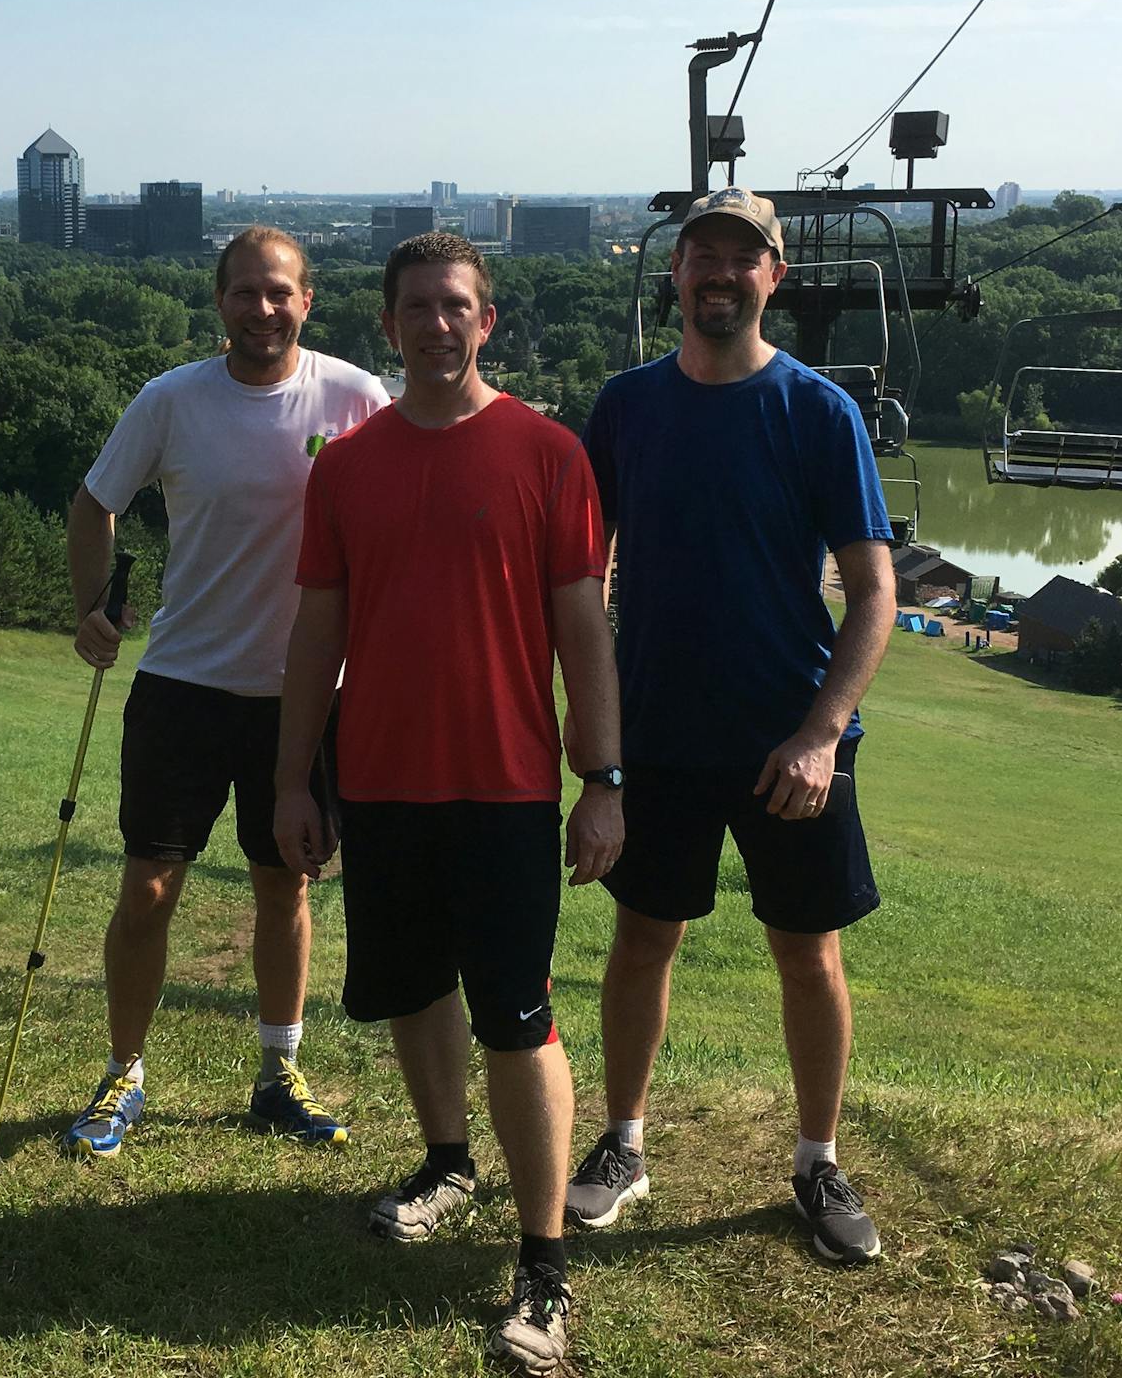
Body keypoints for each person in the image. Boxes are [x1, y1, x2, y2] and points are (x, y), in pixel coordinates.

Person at [273, 231, 623, 1373]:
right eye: (415, 307)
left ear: (486, 321)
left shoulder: (546, 454)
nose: (436, 324)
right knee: (413, 992)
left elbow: (584, 630)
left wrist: (601, 782)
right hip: (378, 785)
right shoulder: (347, 467)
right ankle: (443, 1160)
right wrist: (293, 778)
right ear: (387, 326)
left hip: (507, 789)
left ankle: (543, 1262)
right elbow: (314, 635)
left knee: (516, 1017)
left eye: (455, 306)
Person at [563, 187, 897, 1266]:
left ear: (773, 277)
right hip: (656, 732)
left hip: (786, 740)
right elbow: (581, 571)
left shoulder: (816, 411)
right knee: (641, 940)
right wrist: (598, 757)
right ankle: (622, 1142)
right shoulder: (624, 406)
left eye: (739, 257)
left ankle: (814, 1158)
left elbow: (872, 589)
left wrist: (820, 732)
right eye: (698, 255)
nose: (717, 272)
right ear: (675, 275)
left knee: (807, 954)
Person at [61, 225, 390, 1159]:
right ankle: (124, 1071)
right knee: (149, 887)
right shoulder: (171, 401)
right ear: (220, 302)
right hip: (184, 685)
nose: (262, 309)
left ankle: (277, 1073)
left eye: (278, 291)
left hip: (308, 696)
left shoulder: (355, 395)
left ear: (307, 299)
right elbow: (95, 504)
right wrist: (91, 605)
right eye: (244, 293)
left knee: (283, 887)